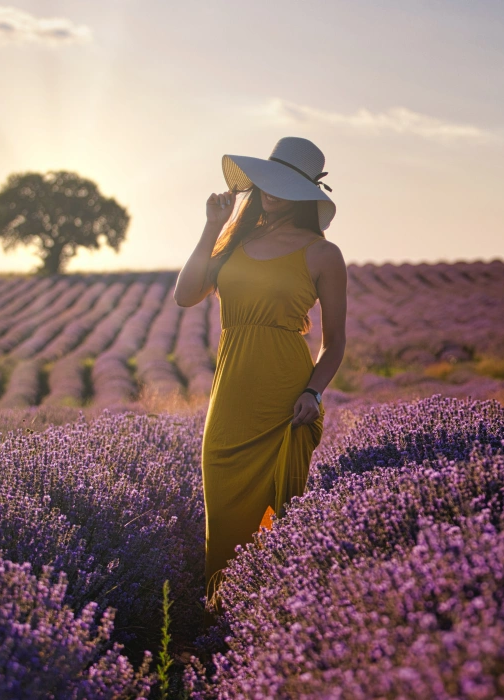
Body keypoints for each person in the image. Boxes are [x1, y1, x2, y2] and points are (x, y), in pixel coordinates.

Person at [173, 136, 347, 609]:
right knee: (224, 517)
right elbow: (186, 294)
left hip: (285, 399)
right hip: (229, 401)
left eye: (284, 185)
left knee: (282, 517)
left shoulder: (323, 254)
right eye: (267, 182)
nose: (270, 192)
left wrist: (313, 391)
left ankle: (274, 618)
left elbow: (335, 344)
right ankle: (222, 620)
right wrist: (213, 227)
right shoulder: (238, 240)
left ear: (305, 194)